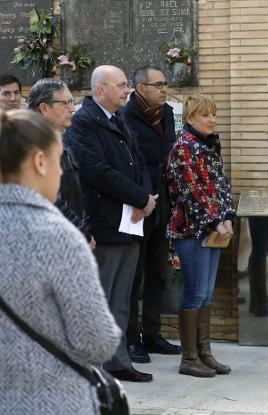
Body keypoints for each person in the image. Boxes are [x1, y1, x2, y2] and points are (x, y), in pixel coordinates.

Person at [0, 109, 121, 414]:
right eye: (59, 160)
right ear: (40, 162)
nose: (62, 173)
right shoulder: (55, 236)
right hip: (52, 400)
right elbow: (98, 342)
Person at [65, 65, 158, 382]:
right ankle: (94, 366)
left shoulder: (118, 120)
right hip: (104, 224)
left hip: (130, 223)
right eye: (120, 85)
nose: (126, 90)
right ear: (100, 89)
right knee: (102, 300)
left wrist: (143, 196)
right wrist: (139, 198)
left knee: (122, 301)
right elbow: (96, 171)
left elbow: (141, 162)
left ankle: (118, 362)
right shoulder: (83, 123)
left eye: (125, 85)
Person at [166, 95, 235, 377]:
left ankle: (205, 353)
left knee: (206, 294)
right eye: (205, 115)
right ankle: (188, 358)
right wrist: (216, 220)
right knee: (194, 294)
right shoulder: (183, 148)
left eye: (213, 114)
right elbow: (191, 192)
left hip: (212, 230)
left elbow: (221, 185)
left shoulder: (208, 145)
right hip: (190, 231)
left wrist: (228, 215)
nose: (212, 119)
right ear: (190, 118)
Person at [121, 66, 180, 362]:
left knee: (158, 272)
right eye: (158, 84)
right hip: (137, 204)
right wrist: (143, 197)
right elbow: (132, 161)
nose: (164, 89)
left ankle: (153, 334)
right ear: (141, 88)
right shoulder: (125, 115)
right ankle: (131, 339)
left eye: (165, 84)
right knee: (135, 275)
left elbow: (167, 153)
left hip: (163, 202)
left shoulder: (166, 113)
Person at [28, 78, 95, 248]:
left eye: (72, 102)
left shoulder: (58, 139)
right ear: (44, 108)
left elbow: (74, 191)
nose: (72, 109)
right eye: (65, 103)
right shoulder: (34, 144)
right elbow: (51, 198)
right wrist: (82, 233)